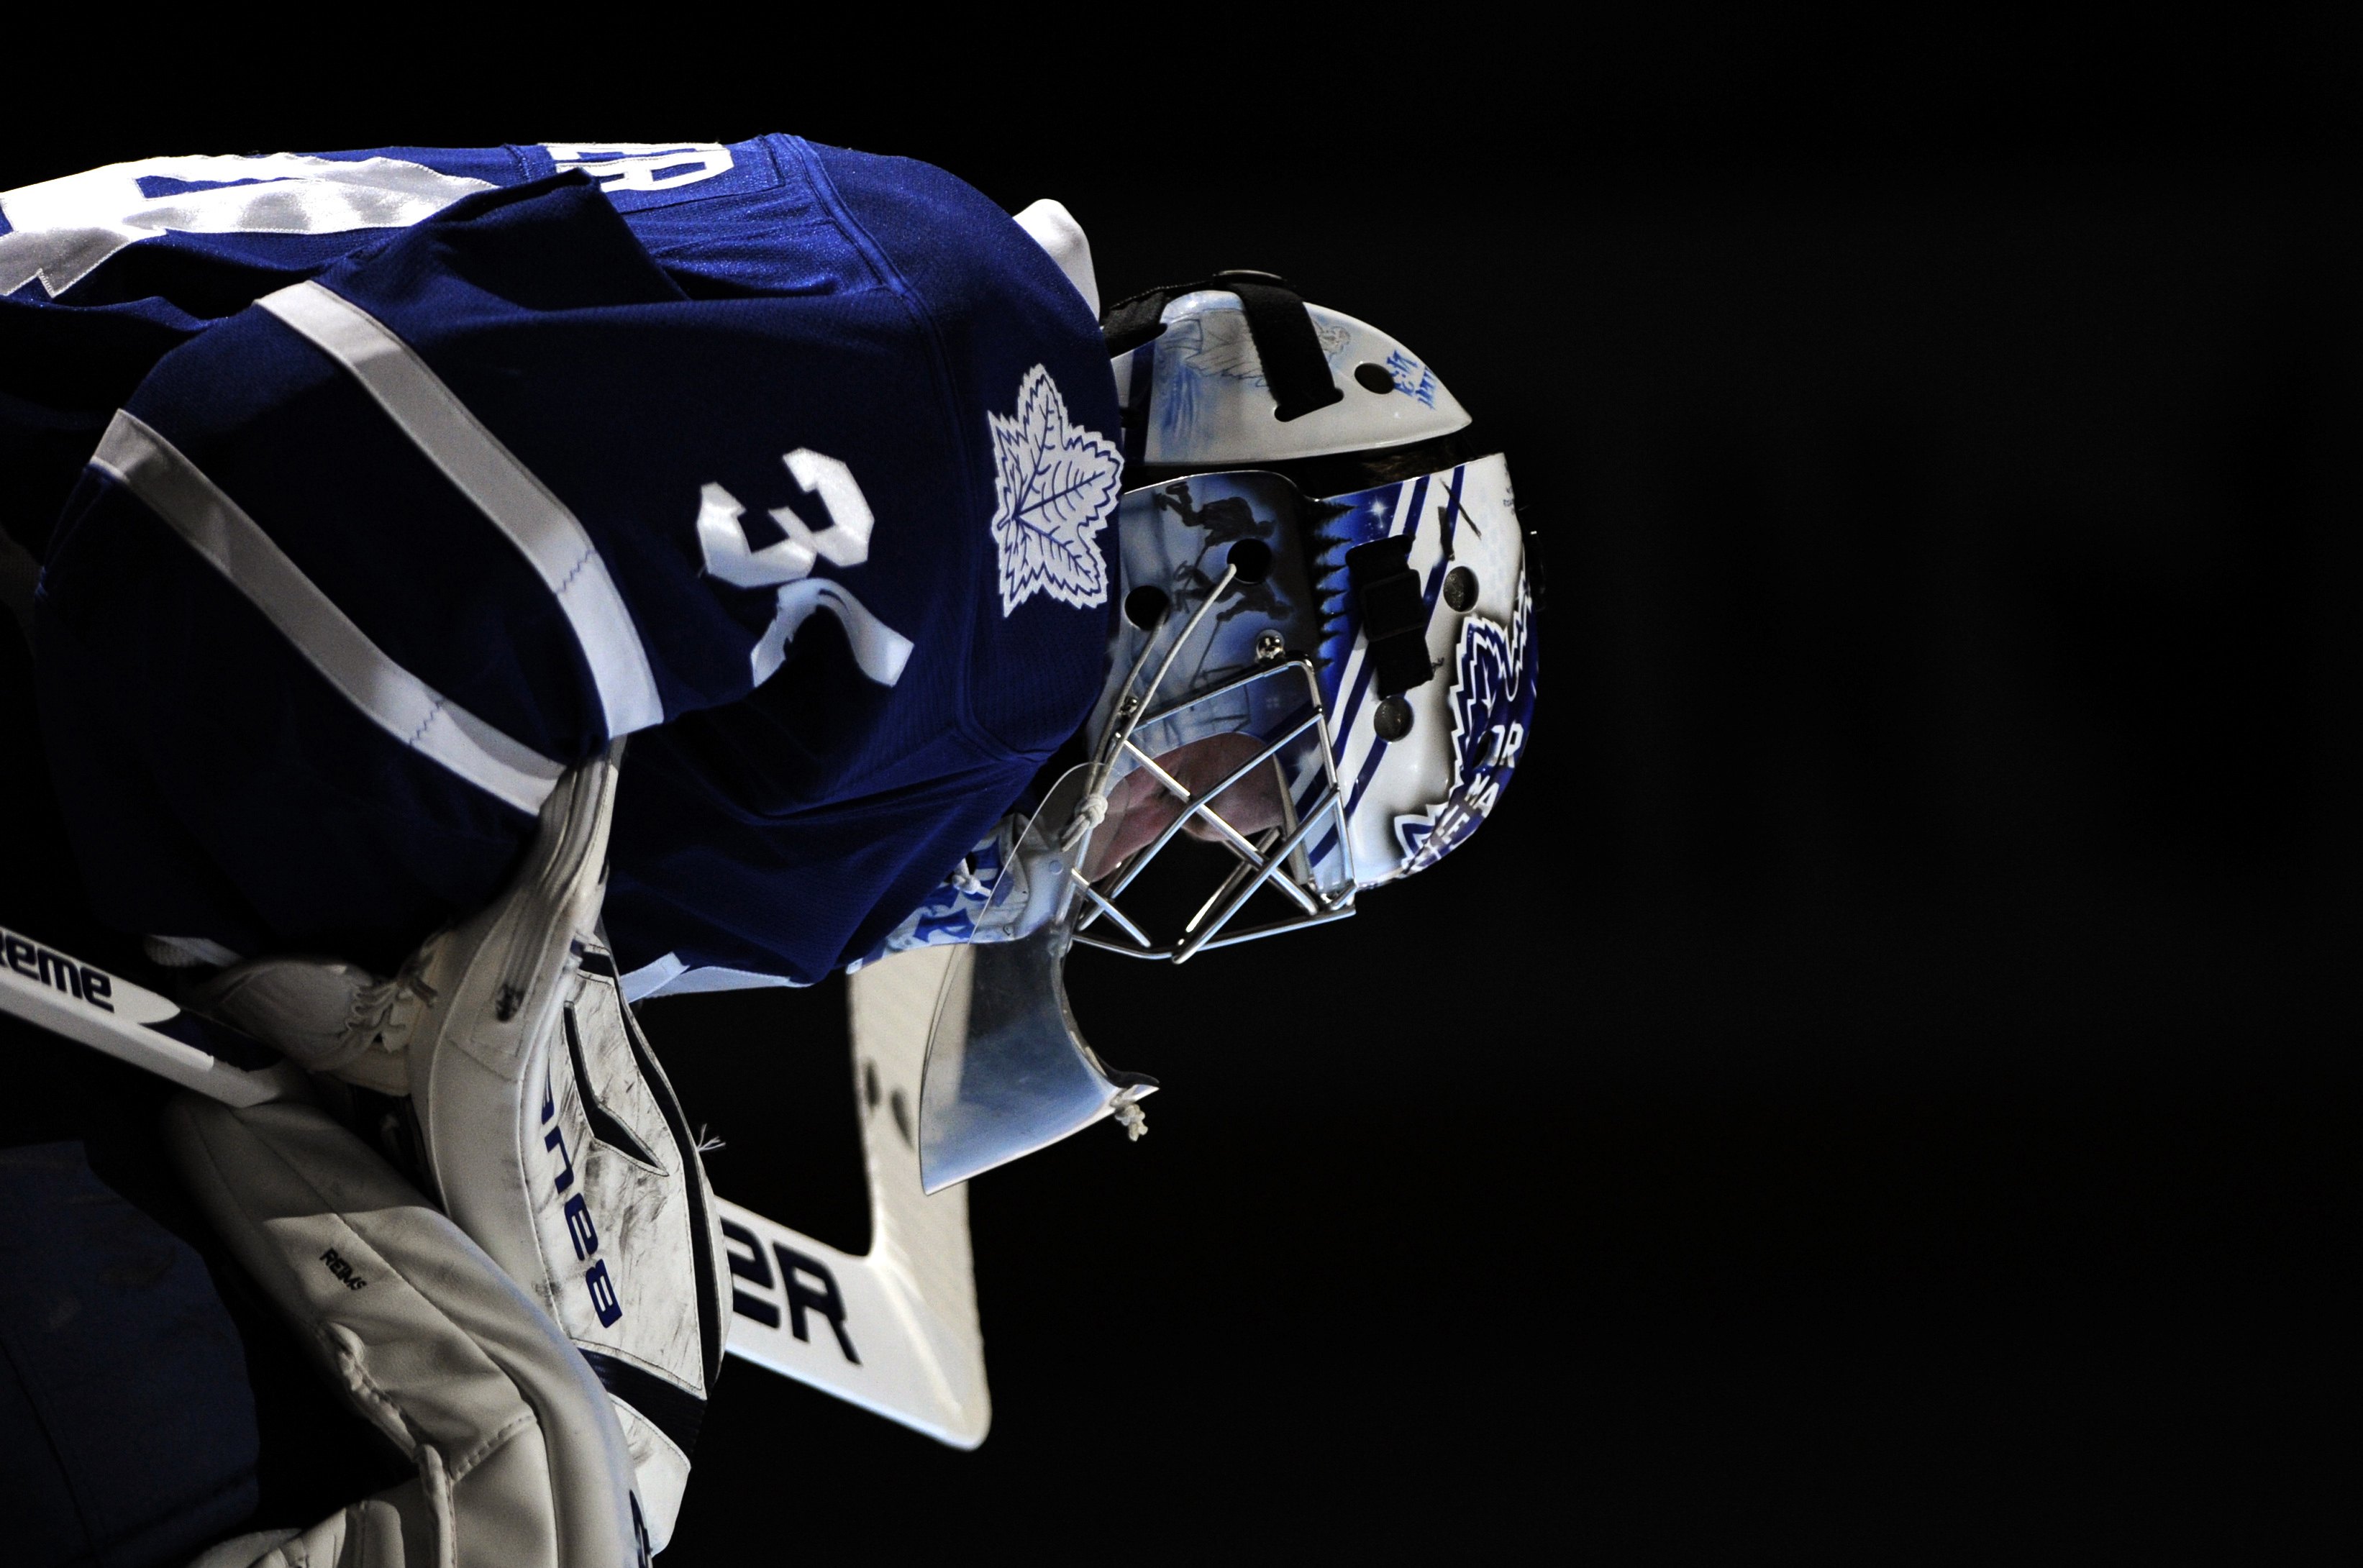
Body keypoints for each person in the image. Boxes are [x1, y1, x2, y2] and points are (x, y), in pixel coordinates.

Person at [0, 135, 1536, 1564]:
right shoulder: (999, 455)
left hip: (67, 737)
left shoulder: (979, 533)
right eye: (1244, 756)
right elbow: (232, 518)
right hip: (52, 673)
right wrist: (398, 1025)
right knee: (499, 1494)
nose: (1172, 822)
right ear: (1219, 545)